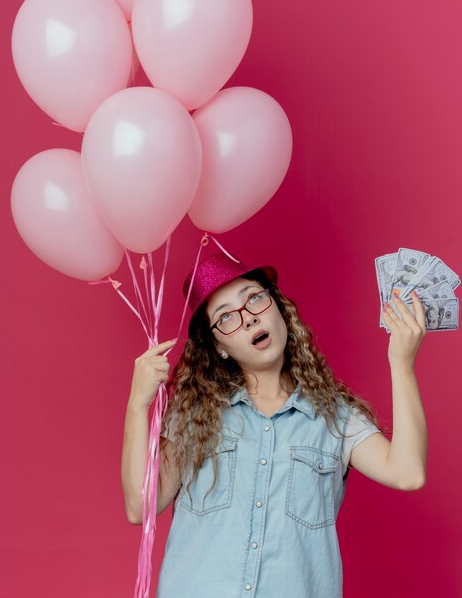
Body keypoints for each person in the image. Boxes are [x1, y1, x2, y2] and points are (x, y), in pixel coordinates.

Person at [121, 252, 428, 598]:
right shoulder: (195, 412)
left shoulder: (334, 417)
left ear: (279, 309)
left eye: (254, 298)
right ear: (219, 347)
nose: (249, 318)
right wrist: (138, 403)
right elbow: (140, 506)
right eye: (226, 318)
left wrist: (401, 363)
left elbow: (407, 472)